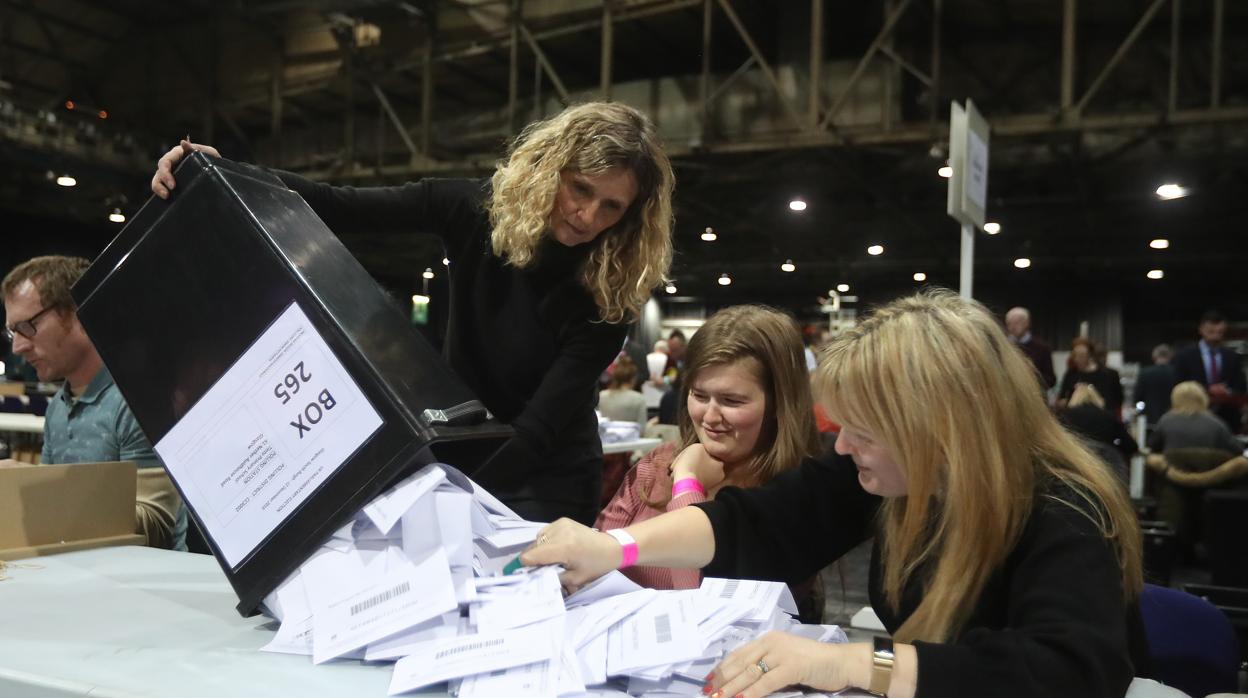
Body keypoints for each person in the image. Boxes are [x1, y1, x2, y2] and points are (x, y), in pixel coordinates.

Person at [524, 289, 1145, 698]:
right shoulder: (890, 474)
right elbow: (762, 523)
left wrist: (858, 663)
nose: (843, 448)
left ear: (942, 433)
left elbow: (1071, 671)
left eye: (864, 432)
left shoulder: (1064, 508)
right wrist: (616, 548)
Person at [152, 102, 675, 526]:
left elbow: (538, 431)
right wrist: (219, 170)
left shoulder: (609, 296)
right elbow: (338, 203)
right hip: (460, 452)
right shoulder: (472, 211)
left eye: (612, 206)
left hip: (548, 479)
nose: (589, 215)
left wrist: (440, 489)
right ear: (549, 169)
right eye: (580, 188)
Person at [596, 305, 818, 591]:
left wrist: (687, 483)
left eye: (732, 401)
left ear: (779, 402)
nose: (710, 417)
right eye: (699, 395)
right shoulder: (658, 463)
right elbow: (599, 552)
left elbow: (699, 603)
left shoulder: (788, 494)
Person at [1, 256, 187, 551]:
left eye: (27, 326)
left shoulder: (136, 402)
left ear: (78, 313)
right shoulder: (57, 409)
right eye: (13, 331)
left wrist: (36, 493)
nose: (18, 346)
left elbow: (156, 525)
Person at [1171, 311, 1245, 432]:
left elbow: (1241, 386)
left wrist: (1227, 391)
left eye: (1219, 332)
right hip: (1193, 415)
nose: (1215, 336)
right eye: (1211, 332)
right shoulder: (1184, 356)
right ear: (1201, 329)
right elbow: (1179, 385)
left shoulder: (1232, 356)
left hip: (1228, 420)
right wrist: (1207, 389)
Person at [1058, 383, 1137, 479]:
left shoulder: (1065, 416)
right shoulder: (1108, 416)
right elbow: (1130, 445)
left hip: (1075, 465)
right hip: (1107, 467)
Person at [1057, 337, 1124, 414]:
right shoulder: (1070, 375)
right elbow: (1062, 398)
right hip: (1076, 419)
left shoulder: (1109, 375)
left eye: (1081, 355)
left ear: (1090, 355)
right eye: (1075, 355)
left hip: (1102, 419)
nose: (1077, 359)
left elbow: (1117, 401)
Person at [1004, 306, 1056, 389]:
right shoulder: (1003, 347)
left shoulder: (1042, 348)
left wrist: (1030, 380)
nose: (1013, 327)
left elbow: (1051, 380)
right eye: (1009, 323)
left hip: (1034, 396)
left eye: (1017, 323)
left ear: (1027, 323)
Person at [1132, 344, 1176, 428]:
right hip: (1172, 416)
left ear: (1154, 357)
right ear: (1170, 356)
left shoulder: (1145, 373)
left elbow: (1138, 396)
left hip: (1151, 417)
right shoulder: (1176, 372)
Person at [597, 356, 646, 429]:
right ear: (633, 379)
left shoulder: (601, 395)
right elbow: (642, 429)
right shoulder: (639, 398)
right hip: (630, 439)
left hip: (605, 439)